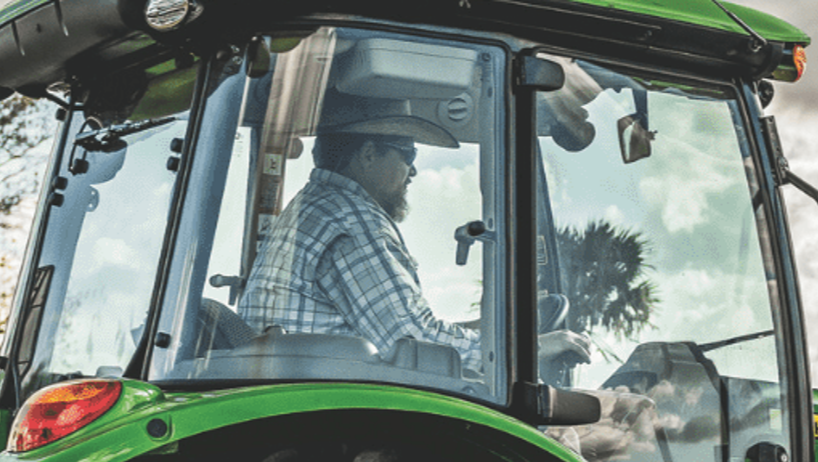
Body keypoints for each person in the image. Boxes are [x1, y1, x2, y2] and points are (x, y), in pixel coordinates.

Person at [240, 94, 588, 378]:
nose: (414, 170)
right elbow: (414, 344)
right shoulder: (352, 220)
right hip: (339, 406)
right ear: (369, 153)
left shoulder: (316, 208)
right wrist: (532, 350)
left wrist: (492, 330)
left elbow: (399, 330)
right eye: (408, 154)